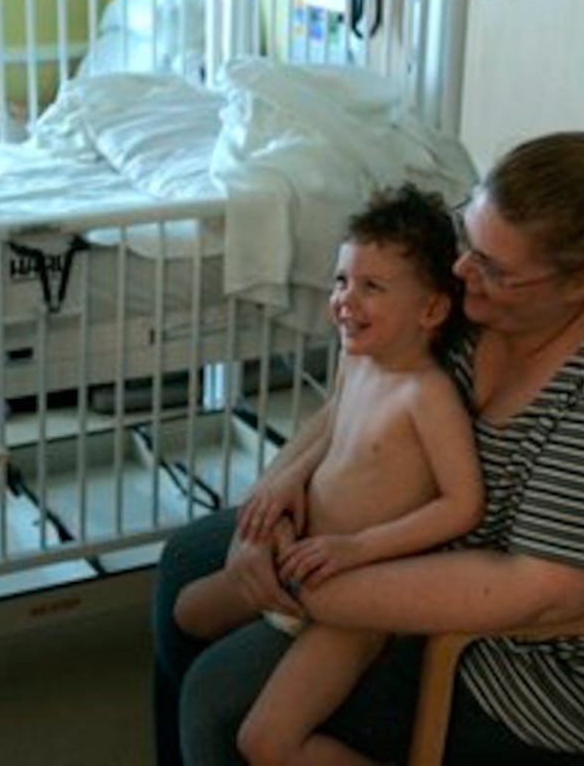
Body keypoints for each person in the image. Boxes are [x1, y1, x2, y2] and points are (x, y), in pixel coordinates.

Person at [153, 131, 584, 765]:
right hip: (406, 539)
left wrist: (297, 583)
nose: (463, 267)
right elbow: (355, 394)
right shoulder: (466, 265)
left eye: (494, 268)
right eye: (470, 235)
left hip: (539, 667)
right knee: (187, 563)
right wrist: (270, 504)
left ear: (580, 284)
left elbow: (541, 589)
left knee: (220, 704)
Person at [172, 183, 484, 766]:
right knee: (189, 610)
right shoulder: (357, 357)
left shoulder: (427, 396)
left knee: (264, 742)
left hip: (356, 603)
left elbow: (463, 504)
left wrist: (357, 547)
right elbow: (336, 425)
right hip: (301, 565)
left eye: (371, 287)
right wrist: (288, 479)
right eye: (342, 280)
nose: (344, 300)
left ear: (433, 309)